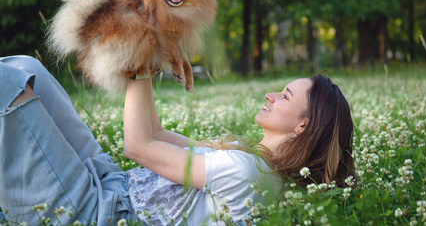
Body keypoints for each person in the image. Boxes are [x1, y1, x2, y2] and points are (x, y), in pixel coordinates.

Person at [0, 55, 354, 225]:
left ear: (302, 127)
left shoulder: (248, 173)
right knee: (25, 66)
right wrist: (148, 63)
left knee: (7, 85)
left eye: (286, 96)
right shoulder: (250, 161)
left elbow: (138, 146)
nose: (271, 95)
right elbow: (154, 136)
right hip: (109, 184)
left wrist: (138, 61)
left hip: (93, 214)